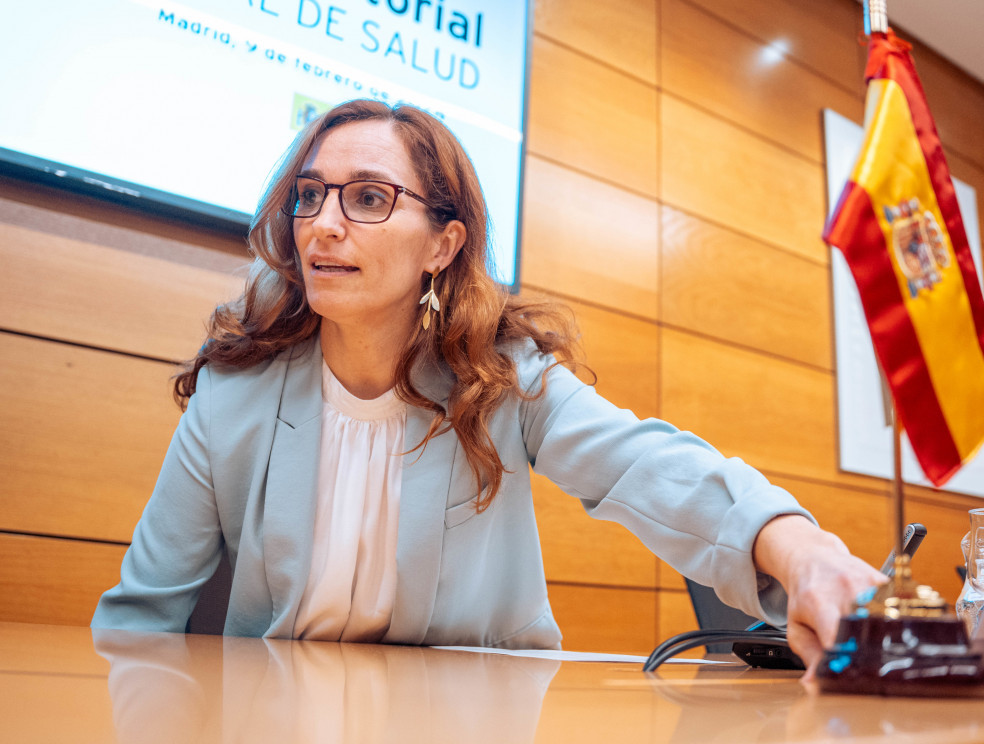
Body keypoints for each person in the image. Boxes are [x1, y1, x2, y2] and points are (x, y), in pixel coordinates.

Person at [93, 99, 884, 670]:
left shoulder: (498, 378)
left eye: (368, 197)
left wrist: (802, 551)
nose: (323, 224)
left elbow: (646, 466)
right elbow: (140, 623)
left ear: (443, 243)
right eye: (310, 195)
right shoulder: (234, 393)